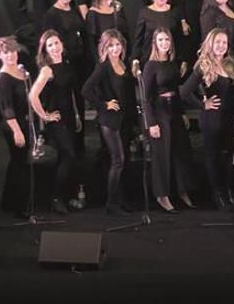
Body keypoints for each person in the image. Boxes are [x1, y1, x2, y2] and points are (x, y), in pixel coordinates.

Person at [180, 28, 234, 209]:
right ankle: (217, 194)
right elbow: (184, 92)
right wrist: (202, 104)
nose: (221, 46)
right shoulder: (203, 65)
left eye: (224, 42)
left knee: (228, 156)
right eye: (218, 42)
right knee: (212, 157)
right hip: (211, 119)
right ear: (210, 44)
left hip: (229, 119)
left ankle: (227, 190)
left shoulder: (231, 65)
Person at [141, 28, 197, 213]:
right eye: (160, 40)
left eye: (167, 39)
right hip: (159, 112)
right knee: (161, 155)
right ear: (155, 43)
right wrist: (151, 123)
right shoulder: (151, 66)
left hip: (174, 109)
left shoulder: (173, 64)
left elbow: (177, 89)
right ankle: (161, 195)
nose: (164, 43)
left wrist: (182, 113)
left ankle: (182, 190)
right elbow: (145, 97)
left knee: (180, 152)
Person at [82, 30, 136, 215]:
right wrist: (104, 104)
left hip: (124, 120)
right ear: (104, 47)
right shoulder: (103, 67)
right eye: (111, 45)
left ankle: (122, 200)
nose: (115, 49)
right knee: (117, 161)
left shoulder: (123, 63)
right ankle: (111, 204)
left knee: (125, 161)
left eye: (118, 45)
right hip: (109, 121)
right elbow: (86, 90)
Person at [28, 30, 80, 215]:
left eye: (56, 43)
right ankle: (56, 197)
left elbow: (70, 93)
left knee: (67, 158)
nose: (55, 47)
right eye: (50, 45)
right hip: (56, 119)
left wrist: (76, 115)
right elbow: (33, 95)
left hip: (68, 117)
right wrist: (45, 116)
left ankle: (65, 196)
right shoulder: (47, 70)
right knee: (69, 155)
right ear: (45, 49)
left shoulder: (66, 64)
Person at [41, 0, 87, 154]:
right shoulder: (51, 15)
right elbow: (48, 44)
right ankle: (66, 146)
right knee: (65, 104)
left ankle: (79, 144)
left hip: (78, 63)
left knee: (79, 103)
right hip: (61, 66)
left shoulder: (74, 10)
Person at [0, 36, 32, 218]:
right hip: (12, 125)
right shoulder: (4, 78)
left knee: (16, 163)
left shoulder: (19, 70)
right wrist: (17, 131)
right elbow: (6, 108)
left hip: (23, 122)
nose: (10, 55)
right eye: (5, 52)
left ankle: (8, 202)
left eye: (12, 51)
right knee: (20, 165)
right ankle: (20, 206)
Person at [132, 0, 189, 65]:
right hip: (150, 59)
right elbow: (139, 39)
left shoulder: (175, 12)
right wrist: (135, 59)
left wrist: (184, 60)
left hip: (171, 59)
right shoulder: (145, 12)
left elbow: (180, 39)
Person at [85, 0, 129, 64]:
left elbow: (126, 34)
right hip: (105, 60)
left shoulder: (118, 7)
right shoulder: (92, 13)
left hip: (122, 58)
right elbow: (91, 44)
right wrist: (99, 62)